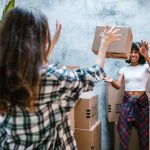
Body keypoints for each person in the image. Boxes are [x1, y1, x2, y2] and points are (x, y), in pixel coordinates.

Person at [0, 7, 121, 150]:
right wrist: (104, 44)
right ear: (40, 38)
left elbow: (35, 64)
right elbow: (92, 74)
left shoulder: (7, 73)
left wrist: (53, 43)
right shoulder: (52, 77)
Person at [104, 41, 150, 150]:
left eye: (135, 52)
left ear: (140, 54)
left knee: (144, 136)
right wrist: (111, 81)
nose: (133, 54)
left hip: (142, 103)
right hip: (127, 102)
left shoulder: (145, 67)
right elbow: (118, 85)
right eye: (130, 52)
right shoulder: (124, 69)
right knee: (123, 134)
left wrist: (146, 55)